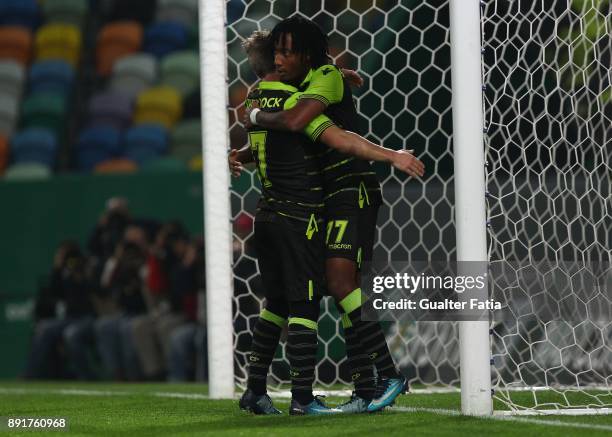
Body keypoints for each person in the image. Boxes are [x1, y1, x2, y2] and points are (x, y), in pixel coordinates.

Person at [234, 29, 424, 414]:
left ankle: (374, 381)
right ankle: (363, 387)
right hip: (318, 201)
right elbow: (293, 130)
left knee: (335, 286)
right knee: (330, 290)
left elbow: (327, 133)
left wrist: (392, 156)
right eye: (279, 55)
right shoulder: (299, 87)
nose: (283, 61)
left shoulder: (300, 92)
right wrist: (242, 147)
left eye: (288, 54)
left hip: (349, 190)